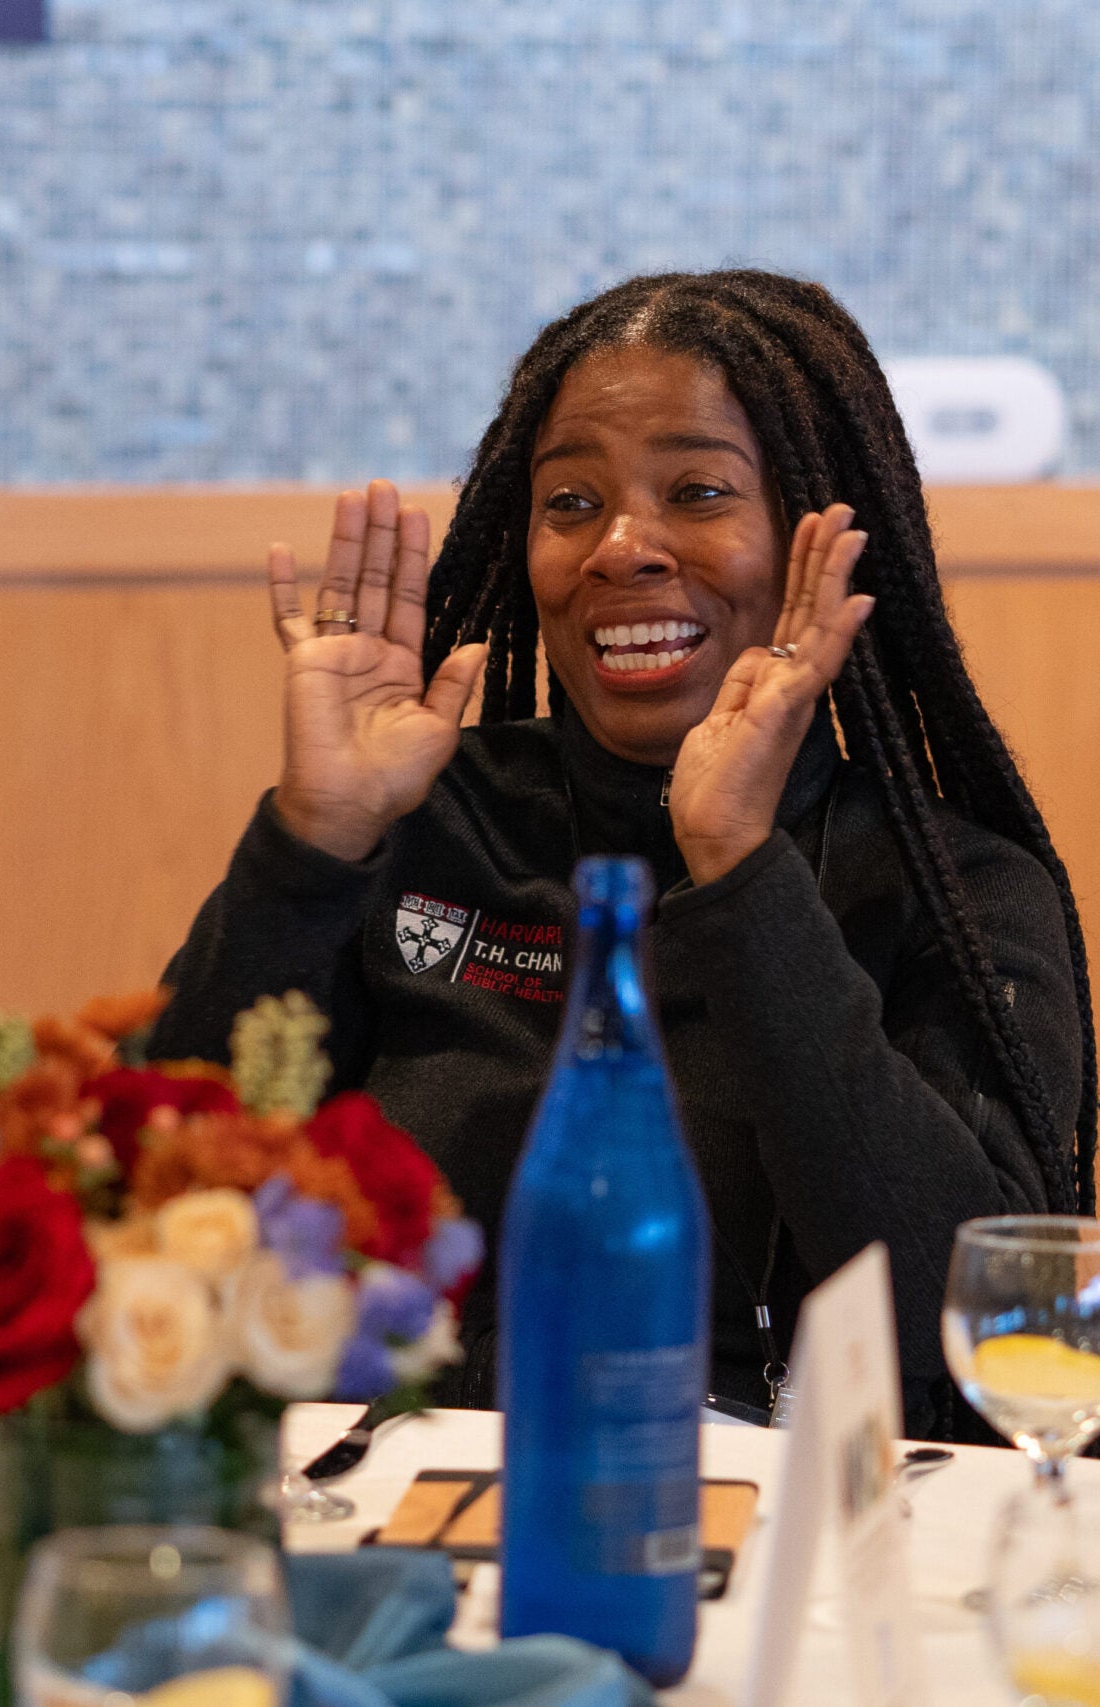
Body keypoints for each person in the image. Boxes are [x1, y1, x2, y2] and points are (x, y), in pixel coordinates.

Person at [154, 270, 1093, 1438]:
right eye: (569, 504)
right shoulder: (420, 819)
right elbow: (155, 1196)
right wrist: (313, 842)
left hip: (799, 1560)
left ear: (820, 538)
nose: (620, 548)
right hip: (395, 1529)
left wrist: (739, 875)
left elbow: (963, 1335)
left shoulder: (955, 891)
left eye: (697, 491)